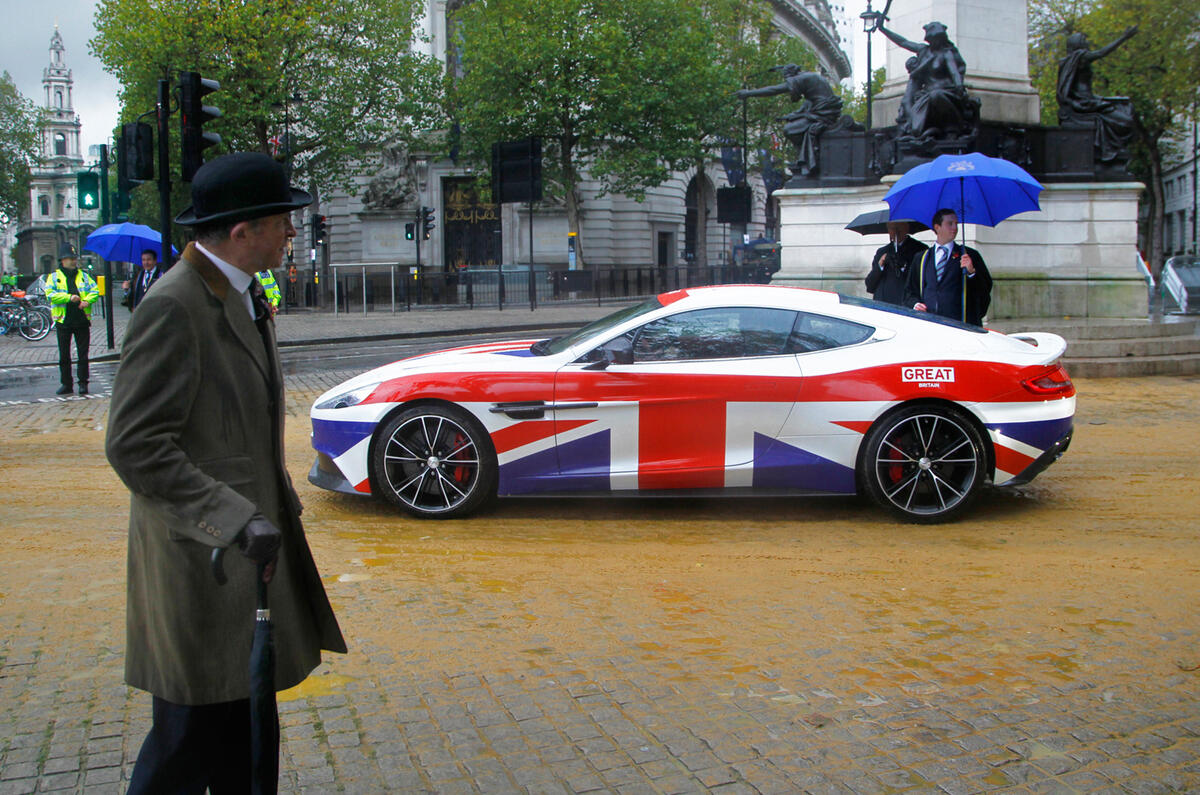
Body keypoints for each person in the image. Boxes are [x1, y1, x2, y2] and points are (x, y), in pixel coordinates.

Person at [105, 152, 346, 793]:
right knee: (186, 744)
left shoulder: (239, 294)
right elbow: (134, 445)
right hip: (202, 569)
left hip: (243, 565)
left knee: (245, 734)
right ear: (241, 232)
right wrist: (235, 517)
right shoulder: (175, 306)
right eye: (282, 221)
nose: (292, 231)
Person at [737, 65, 847, 177]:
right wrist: (790, 116)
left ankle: (809, 160)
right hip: (823, 112)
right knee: (794, 127)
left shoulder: (802, 79)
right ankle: (805, 158)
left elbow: (775, 90)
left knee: (789, 130)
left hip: (823, 115)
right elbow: (807, 106)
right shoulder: (811, 79)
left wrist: (748, 93)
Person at [879, 21, 978, 139]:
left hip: (946, 92)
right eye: (933, 38)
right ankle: (928, 132)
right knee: (916, 127)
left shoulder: (946, 53)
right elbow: (903, 42)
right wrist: (882, 29)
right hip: (926, 96)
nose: (935, 41)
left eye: (938, 38)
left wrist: (959, 85)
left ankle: (950, 128)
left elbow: (954, 72)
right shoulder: (923, 51)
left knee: (936, 95)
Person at [1056, 26, 1138, 162]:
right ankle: (1111, 151)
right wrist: (1124, 37)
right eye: (1085, 40)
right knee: (1126, 120)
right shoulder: (1080, 57)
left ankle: (1114, 150)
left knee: (1123, 104)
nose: (1088, 43)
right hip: (1086, 103)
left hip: (1089, 100)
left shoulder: (1070, 61)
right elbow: (1101, 53)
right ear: (1079, 44)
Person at [904, 208, 992, 326]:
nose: (954, 228)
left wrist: (972, 273)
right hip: (929, 323)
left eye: (956, 224)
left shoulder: (969, 255)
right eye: (950, 224)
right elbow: (909, 290)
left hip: (959, 325)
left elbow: (984, 289)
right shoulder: (921, 258)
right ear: (937, 227)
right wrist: (915, 304)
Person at [45, 242, 98, 395]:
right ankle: (66, 384)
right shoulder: (54, 277)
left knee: (83, 354)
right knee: (64, 355)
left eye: (74, 258)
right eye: (70, 258)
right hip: (63, 321)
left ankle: (83, 383)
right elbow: (51, 295)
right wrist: (69, 298)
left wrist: (87, 300)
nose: (73, 261)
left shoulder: (84, 276)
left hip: (81, 319)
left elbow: (95, 290)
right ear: (62, 260)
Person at [865, 221, 926, 306]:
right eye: (892, 228)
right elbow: (870, 286)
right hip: (883, 303)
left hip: (904, 304)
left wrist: (902, 266)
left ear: (906, 228)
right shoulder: (882, 251)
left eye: (899, 228)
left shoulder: (919, 250)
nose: (896, 232)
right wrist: (880, 265)